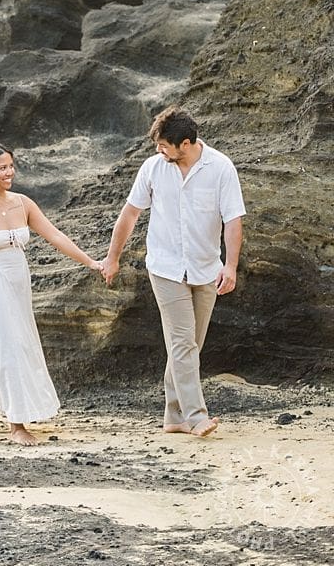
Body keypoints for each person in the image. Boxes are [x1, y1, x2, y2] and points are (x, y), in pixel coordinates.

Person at [0, 141, 103, 445]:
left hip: (17, 283)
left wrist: (90, 262)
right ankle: (16, 425)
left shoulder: (23, 203)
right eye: (2, 167)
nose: (9, 172)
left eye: (11, 166)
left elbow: (55, 235)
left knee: (12, 346)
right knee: (10, 349)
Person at [100, 106, 245, 438]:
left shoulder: (221, 168)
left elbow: (233, 220)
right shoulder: (153, 168)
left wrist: (231, 266)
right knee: (183, 342)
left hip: (206, 268)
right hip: (165, 268)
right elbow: (130, 214)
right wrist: (113, 258)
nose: (158, 151)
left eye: (164, 145)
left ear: (186, 143)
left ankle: (173, 415)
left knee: (191, 343)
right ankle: (196, 416)